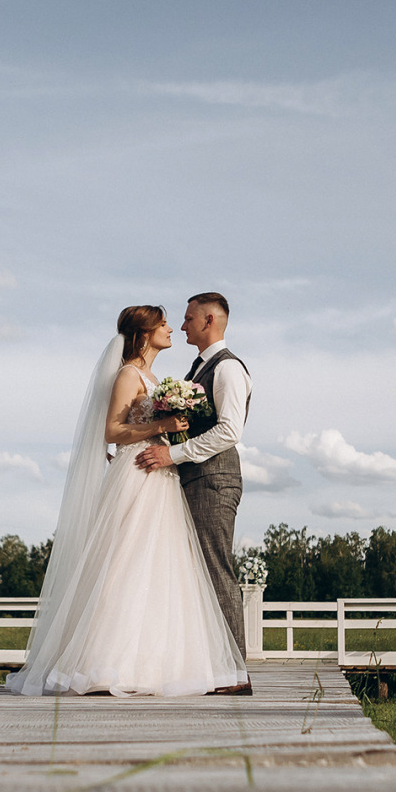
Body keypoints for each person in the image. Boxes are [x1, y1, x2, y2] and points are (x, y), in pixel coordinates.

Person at [6, 305, 247, 697]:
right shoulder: (128, 374)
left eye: (178, 320)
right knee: (124, 562)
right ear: (144, 332)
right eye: (164, 323)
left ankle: (154, 664)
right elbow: (113, 431)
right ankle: (104, 662)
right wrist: (161, 426)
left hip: (164, 475)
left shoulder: (159, 377)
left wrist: (166, 436)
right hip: (139, 474)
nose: (172, 328)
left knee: (162, 570)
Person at [135, 292, 253, 693]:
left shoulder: (228, 368)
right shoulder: (198, 367)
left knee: (215, 570)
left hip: (213, 480)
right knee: (194, 575)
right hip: (193, 479)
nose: (182, 325)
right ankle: (208, 666)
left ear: (208, 320)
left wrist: (173, 455)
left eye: (187, 318)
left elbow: (229, 431)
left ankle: (236, 674)